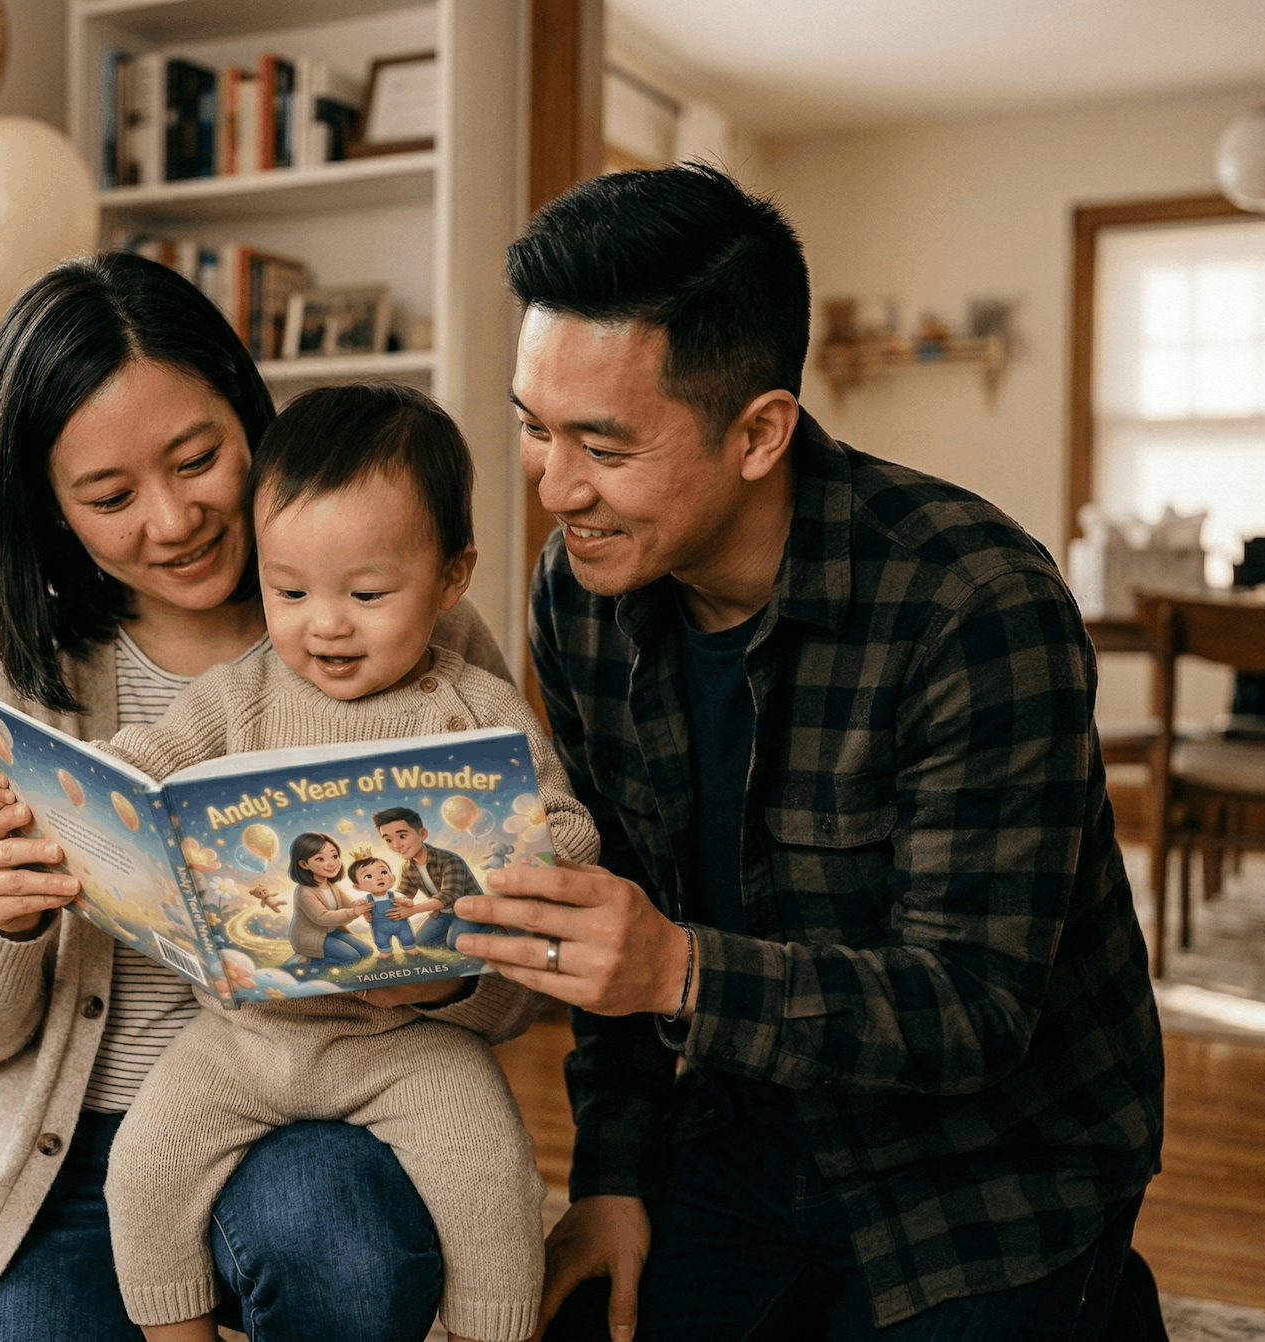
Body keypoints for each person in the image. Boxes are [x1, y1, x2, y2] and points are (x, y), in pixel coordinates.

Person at [451, 164, 1166, 1341]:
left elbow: (975, 1007)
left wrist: (678, 970)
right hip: (743, 1119)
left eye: (603, 445)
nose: (554, 486)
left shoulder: (972, 602)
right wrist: (613, 1178)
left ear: (758, 431)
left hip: (992, 1165)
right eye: (533, 427)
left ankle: (1092, 1296)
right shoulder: (579, 595)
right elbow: (605, 926)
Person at [0, 253, 535, 1342]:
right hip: (56, 1168)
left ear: (250, 420)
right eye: (108, 496)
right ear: (49, 510)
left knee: (347, 1245)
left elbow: (515, 973)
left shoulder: (411, 637)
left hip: (315, 1115)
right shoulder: (5, 687)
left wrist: (429, 979)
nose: (173, 518)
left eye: (198, 460)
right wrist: (2, 923)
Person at [376, 806, 490, 949]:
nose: (397, 845)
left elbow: (449, 895)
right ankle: (453, 931)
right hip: (444, 912)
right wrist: (379, 905)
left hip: (469, 909)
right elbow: (404, 894)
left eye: (402, 836)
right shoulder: (408, 867)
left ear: (422, 834)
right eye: (388, 840)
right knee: (422, 942)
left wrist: (413, 910)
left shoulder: (449, 859)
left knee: (455, 943)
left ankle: (491, 928)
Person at [287, 832, 374, 969]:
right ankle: (304, 961)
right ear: (304, 864)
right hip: (311, 938)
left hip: (333, 931)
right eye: (320, 859)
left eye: (334, 856)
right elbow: (322, 917)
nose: (331, 863)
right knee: (352, 958)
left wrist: (363, 904)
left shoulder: (332, 886)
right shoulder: (304, 891)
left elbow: (350, 904)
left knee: (367, 952)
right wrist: (354, 912)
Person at [349, 849, 422, 961]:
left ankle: (410, 948)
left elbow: (410, 903)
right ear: (358, 887)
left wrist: (406, 902)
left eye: (383, 872)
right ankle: (385, 951)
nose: (379, 878)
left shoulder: (396, 895)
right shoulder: (366, 899)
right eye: (368, 876)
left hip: (400, 924)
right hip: (379, 926)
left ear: (392, 878)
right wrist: (363, 910)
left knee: (407, 936)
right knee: (380, 939)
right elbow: (360, 909)